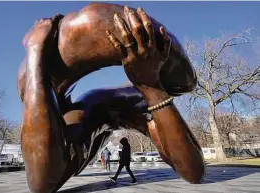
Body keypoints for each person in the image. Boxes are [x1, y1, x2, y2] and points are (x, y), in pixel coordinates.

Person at [18, 4, 205, 193]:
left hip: (119, 105)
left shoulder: (136, 105)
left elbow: (194, 173)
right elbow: (41, 184)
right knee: (74, 130)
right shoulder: (84, 112)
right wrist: (36, 51)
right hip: (90, 111)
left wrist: (151, 87)